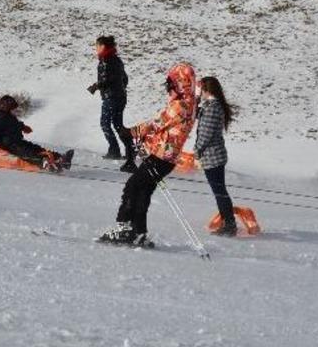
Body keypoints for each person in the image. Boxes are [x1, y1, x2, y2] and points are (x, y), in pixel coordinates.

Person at [99, 62, 197, 246]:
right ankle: (139, 231)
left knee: (132, 186)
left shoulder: (181, 105)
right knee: (143, 190)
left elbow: (157, 123)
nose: (169, 88)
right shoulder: (189, 103)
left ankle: (125, 227)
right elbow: (165, 130)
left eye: (172, 83)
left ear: (180, 83)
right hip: (166, 157)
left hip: (161, 157)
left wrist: (132, 132)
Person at [194, 76, 238, 235]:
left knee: (219, 191)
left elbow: (206, 133)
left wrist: (197, 150)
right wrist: (197, 100)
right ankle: (228, 221)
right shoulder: (212, 105)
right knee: (219, 190)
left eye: (201, 90)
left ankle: (230, 223)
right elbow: (196, 116)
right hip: (214, 156)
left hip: (213, 157)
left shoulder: (213, 108)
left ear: (207, 90)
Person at [0, 95, 74, 172]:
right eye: (11, 108)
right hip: (8, 145)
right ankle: (43, 162)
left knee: (36, 148)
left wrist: (23, 127)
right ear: (5, 106)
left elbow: (12, 125)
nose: (13, 110)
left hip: (17, 141)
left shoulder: (6, 115)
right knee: (27, 152)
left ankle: (60, 159)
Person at [87, 36, 135, 167]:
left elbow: (107, 80)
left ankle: (114, 150)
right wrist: (120, 89)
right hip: (121, 97)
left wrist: (96, 86)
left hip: (111, 98)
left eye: (97, 46)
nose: (95, 49)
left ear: (103, 46)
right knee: (118, 124)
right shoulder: (117, 60)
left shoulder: (105, 61)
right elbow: (124, 78)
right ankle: (130, 149)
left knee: (105, 123)